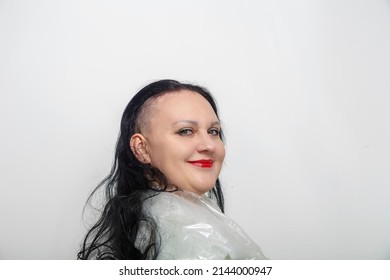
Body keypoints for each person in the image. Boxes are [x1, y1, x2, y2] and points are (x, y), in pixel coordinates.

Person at [77, 79, 266, 260]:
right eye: (185, 131)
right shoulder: (192, 240)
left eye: (213, 131)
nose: (209, 145)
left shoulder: (141, 220)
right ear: (142, 148)